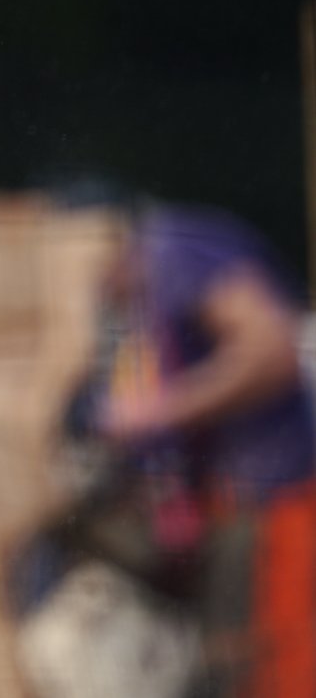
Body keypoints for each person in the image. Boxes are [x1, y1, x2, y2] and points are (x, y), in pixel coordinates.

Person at [101, 203, 316, 696]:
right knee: (234, 660)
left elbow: (271, 347)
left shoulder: (172, 250)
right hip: (230, 508)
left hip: (273, 501)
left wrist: (162, 410)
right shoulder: (143, 291)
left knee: (277, 664)